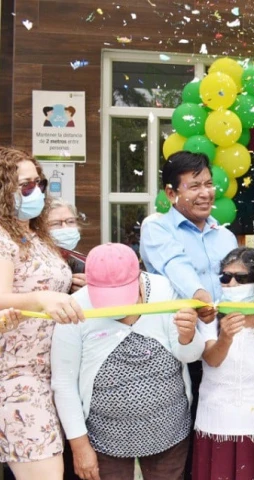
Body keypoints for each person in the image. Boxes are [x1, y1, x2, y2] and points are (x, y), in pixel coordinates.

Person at [51, 243, 204, 480]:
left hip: (168, 427)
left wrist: (188, 337)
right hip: (104, 435)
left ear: (139, 279)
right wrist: (79, 446)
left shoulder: (165, 290)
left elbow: (190, 355)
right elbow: (63, 382)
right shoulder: (74, 308)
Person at [140, 150, 238, 478]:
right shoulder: (157, 228)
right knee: (186, 433)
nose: (205, 193)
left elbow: (238, 285)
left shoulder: (224, 235)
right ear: (171, 193)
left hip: (222, 346)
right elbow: (173, 264)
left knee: (219, 430)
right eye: (194, 186)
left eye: (209, 184)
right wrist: (200, 299)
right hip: (179, 349)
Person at [0, 146, 85, 480]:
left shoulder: (35, 236)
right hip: (18, 379)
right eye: (24, 185)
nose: (34, 192)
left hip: (51, 375)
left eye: (39, 183)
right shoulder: (3, 237)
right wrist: (40, 298)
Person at [192, 247, 254, 480]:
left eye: (242, 278)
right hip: (216, 423)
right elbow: (211, 359)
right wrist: (225, 338)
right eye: (225, 277)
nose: (232, 284)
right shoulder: (211, 314)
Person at [47, 198, 86, 293]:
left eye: (70, 222)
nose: (65, 227)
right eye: (56, 223)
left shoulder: (83, 262)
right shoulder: (31, 263)